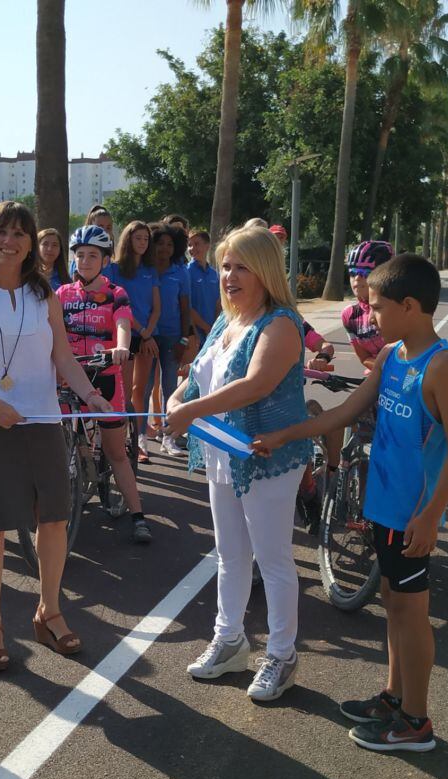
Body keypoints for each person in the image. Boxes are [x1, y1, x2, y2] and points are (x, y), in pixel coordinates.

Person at [252, 252, 448, 753]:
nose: (369, 317)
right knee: (393, 602)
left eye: (377, 307)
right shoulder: (392, 356)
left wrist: (432, 515)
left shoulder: (441, 366)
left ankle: (417, 721)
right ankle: (395, 698)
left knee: (412, 614)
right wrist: (286, 434)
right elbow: (346, 412)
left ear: (410, 306)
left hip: (412, 514)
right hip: (382, 505)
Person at [0, 201, 113, 671]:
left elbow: (63, 358)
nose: (9, 241)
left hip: (42, 418)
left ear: (31, 242)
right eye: (1, 231)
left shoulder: (45, 295)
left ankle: (49, 610)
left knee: (54, 518)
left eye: (20, 233)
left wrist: (90, 395)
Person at [164, 225, 310, 702]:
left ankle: (282, 655)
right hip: (223, 456)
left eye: (241, 266)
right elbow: (198, 377)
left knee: (273, 560)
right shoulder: (228, 323)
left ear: (265, 271)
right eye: (226, 265)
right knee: (229, 555)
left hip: (266, 458)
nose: (229, 275)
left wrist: (190, 411)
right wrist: (177, 395)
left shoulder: (281, 323)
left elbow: (256, 384)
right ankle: (229, 641)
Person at [58, 225, 152, 542]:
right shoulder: (62, 294)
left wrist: (122, 347)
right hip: (69, 378)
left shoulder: (115, 293)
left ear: (105, 260)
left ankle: (138, 515)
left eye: (92, 255)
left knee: (116, 453)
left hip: (106, 379)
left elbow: (123, 323)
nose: (84, 261)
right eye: (80, 255)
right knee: (60, 448)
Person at [104, 221, 160, 462]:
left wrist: (148, 331)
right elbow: (117, 305)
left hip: (147, 335)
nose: (142, 243)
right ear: (128, 240)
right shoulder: (115, 270)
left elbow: (157, 306)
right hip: (125, 336)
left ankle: (140, 440)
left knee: (141, 390)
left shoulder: (151, 270)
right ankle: (121, 439)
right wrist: (140, 330)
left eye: (146, 239)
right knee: (124, 391)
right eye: (138, 238)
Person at [144, 222, 192, 457]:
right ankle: (140, 436)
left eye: (169, 244)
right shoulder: (145, 269)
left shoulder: (180, 271)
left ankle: (168, 437)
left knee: (170, 387)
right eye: (160, 243)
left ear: (176, 248)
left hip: (173, 337)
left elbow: (185, 309)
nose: (164, 248)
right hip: (147, 337)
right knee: (142, 388)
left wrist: (183, 340)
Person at [341, 241, 393, 372]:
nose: (357, 279)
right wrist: (382, 369)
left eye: (365, 273)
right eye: (352, 273)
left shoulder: (398, 309)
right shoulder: (350, 315)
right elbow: (364, 358)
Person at [187, 229, 220, 343]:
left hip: (213, 332)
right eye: (190, 245)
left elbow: (218, 303)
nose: (192, 248)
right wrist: (206, 328)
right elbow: (187, 306)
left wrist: (215, 327)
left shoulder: (214, 274)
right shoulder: (187, 272)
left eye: (196, 244)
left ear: (207, 246)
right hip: (195, 334)